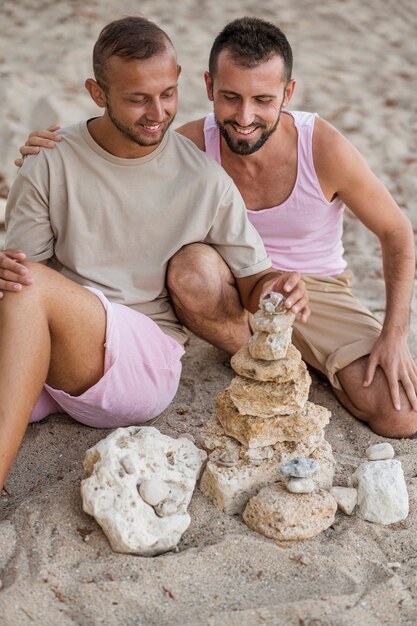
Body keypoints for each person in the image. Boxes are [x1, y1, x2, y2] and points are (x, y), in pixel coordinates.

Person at [10, 17, 417, 438]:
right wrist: (47, 152)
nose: (244, 116)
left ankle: (294, 363)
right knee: (193, 266)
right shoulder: (186, 145)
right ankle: (264, 359)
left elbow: (397, 233)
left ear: (288, 93)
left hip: (311, 290)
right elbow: (122, 141)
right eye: (230, 97)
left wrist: (395, 334)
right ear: (208, 88)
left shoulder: (322, 148)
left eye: (262, 99)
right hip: (225, 293)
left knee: (400, 414)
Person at [0, 16, 309, 492]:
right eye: (138, 97)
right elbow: (25, 277)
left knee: (25, 284)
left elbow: (253, 283)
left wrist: (279, 286)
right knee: (20, 285)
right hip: (62, 352)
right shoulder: (49, 161)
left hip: (141, 362)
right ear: (97, 93)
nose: (157, 111)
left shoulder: (203, 180)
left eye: (168, 93)